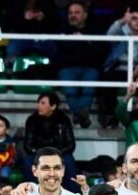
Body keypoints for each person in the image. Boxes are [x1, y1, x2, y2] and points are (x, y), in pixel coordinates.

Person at [101, 3, 138, 126]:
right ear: (129, 19)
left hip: (137, 71)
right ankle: (112, 115)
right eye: (134, 18)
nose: (137, 22)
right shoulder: (120, 32)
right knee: (107, 79)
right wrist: (122, 20)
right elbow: (109, 35)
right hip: (119, 69)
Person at [54, 0, 106, 129]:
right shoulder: (61, 30)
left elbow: (99, 51)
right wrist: (85, 44)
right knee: (70, 90)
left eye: (77, 12)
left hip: (89, 67)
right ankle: (82, 115)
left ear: (85, 15)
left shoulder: (94, 30)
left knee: (89, 90)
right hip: (67, 67)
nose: (73, 15)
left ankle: (78, 115)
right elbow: (60, 49)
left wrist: (78, 43)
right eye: (70, 13)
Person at [23, 92, 78, 191]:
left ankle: (72, 193)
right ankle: (30, 192)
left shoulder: (63, 120)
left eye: (43, 103)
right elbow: (27, 145)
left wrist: (56, 153)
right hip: (38, 153)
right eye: (39, 103)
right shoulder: (32, 120)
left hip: (59, 153)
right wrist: (41, 153)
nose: (39, 105)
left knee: (68, 161)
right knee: (28, 161)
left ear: (53, 106)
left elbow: (71, 145)